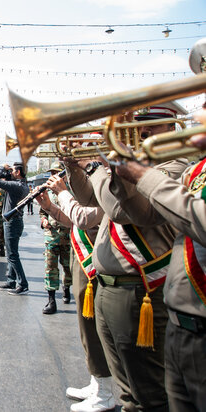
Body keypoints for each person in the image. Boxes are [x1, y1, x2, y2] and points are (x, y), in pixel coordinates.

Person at [64, 102, 188, 411]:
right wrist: (72, 165)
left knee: (149, 393)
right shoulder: (129, 164)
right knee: (126, 392)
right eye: (136, 124)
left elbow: (123, 210)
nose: (139, 131)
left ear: (171, 127)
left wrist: (100, 165)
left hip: (141, 289)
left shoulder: (175, 164)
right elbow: (87, 196)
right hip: (109, 284)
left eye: (149, 126)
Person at [110, 97, 206, 409]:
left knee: (151, 397)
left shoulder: (177, 166)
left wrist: (137, 174)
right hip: (182, 319)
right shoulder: (197, 171)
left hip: (192, 318)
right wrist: (113, 170)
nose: (198, 114)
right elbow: (135, 211)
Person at [36, 174, 114, 412]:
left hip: (98, 258)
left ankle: (106, 392)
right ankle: (98, 381)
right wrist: (49, 207)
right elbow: (73, 221)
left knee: (97, 328)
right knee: (87, 327)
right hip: (84, 255)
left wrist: (62, 193)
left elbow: (85, 218)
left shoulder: (104, 181)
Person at [39, 162, 72, 314]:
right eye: (52, 172)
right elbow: (42, 211)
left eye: (57, 172)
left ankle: (67, 287)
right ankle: (51, 300)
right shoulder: (48, 192)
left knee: (68, 267)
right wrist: (43, 220)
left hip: (67, 237)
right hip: (51, 236)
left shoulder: (71, 192)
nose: (54, 175)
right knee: (50, 268)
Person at [0, 163, 30, 295]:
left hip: (12, 222)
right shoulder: (23, 185)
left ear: (18, 172)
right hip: (15, 221)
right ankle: (11, 280)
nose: (11, 172)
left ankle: (23, 284)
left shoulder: (16, 186)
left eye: (13, 170)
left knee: (13, 255)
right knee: (11, 253)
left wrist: (1, 168)